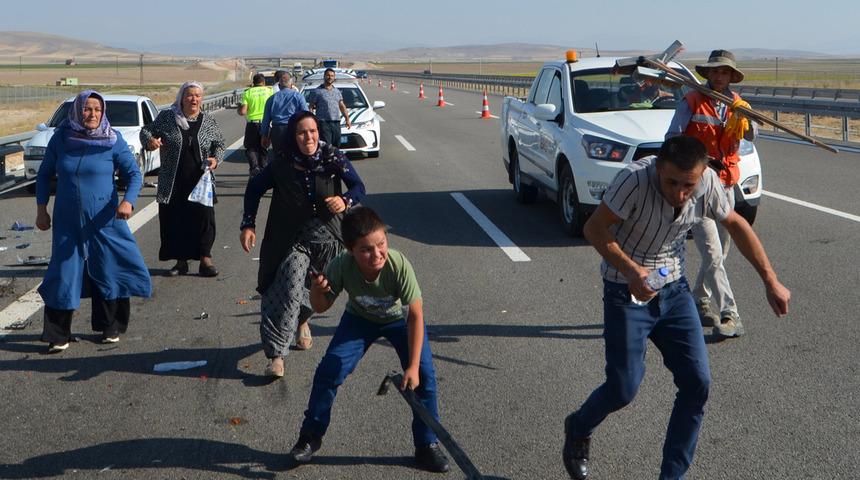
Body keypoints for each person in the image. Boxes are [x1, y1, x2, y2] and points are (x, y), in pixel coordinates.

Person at [562, 136, 790, 480]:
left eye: (689, 185)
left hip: (674, 288)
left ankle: (672, 476)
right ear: (658, 168)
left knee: (697, 383)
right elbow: (593, 228)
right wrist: (631, 271)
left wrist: (770, 280)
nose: (680, 193)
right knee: (624, 388)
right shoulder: (633, 180)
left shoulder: (708, 181)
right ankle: (579, 426)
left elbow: (737, 225)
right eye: (671, 182)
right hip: (626, 290)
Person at [288, 206, 450, 474]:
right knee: (330, 369)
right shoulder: (341, 265)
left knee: (424, 375)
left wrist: (411, 366)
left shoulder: (398, 264)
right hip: (359, 320)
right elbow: (321, 307)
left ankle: (427, 445)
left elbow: (416, 316)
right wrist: (317, 291)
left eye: (381, 244)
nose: (377, 254)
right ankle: (310, 436)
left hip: (399, 321)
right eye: (366, 250)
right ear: (351, 250)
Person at [240, 111, 365, 377]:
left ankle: (303, 322)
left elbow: (357, 186)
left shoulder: (332, 157)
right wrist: (248, 224)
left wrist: (345, 201)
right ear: (292, 136)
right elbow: (254, 189)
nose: (308, 137)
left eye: (312, 131)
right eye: (301, 132)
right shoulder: (282, 163)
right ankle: (276, 356)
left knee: (318, 289)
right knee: (287, 289)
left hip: (329, 239)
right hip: (292, 239)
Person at [35, 90, 152, 353]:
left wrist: (128, 201)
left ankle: (110, 326)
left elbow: (134, 174)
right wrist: (42, 210)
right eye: (87, 109)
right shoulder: (61, 139)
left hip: (105, 219)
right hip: (67, 221)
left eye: (97, 110)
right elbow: (43, 176)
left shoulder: (113, 140)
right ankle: (58, 333)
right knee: (64, 272)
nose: (92, 114)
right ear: (77, 111)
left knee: (108, 267)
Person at [666, 49, 757, 339]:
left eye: (724, 72)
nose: (719, 76)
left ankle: (699, 299)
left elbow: (754, 134)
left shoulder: (738, 105)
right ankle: (730, 313)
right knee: (713, 252)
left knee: (722, 251)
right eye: (715, 71)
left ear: (731, 76)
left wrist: (747, 120)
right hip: (700, 187)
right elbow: (673, 138)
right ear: (707, 74)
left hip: (726, 186)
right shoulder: (692, 99)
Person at [140, 81, 226, 277]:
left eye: (197, 95)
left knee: (204, 218)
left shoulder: (208, 121)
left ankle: (206, 259)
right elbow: (146, 131)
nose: (194, 99)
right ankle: (181, 262)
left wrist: (215, 159)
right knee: (176, 219)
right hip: (173, 180)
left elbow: (219, 144)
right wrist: (150, 142)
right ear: (181, 98)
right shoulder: (167, 117)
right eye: (189, 95)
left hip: (201, 180)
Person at [260, 75, 309, 161]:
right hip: (293, 129)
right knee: (295, 155)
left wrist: (264, 136)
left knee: (279, 156)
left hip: (277, 131)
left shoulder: (272, 99)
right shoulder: (298, 96)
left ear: (279, 86)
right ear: (291, 85)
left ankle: (281, 173)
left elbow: (266, 120)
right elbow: (306, 114)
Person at [238, 73, 273, 176]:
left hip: (252, 125)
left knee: (250, 147)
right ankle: (263, 168)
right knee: (264, 147)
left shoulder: (248, 93)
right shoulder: (270, 91)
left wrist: (239, 108)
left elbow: (243, 112)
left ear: (253, 83)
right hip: (266, 123)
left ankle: (254, 167)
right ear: (263, 82)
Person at [308, 68, 351, 147]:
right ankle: (327, 159)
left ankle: (335, 159)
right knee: (327, 146)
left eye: (332, 76)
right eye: (328, 75)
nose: (330, 77)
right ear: (324, 76)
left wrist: (347, 119)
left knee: (337, 145)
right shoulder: (317, 91)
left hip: (336, 122)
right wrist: (312, 121)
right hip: (323, 123)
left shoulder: (337, 91)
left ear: (334, 77)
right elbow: (311, 107)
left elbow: (342, 106)